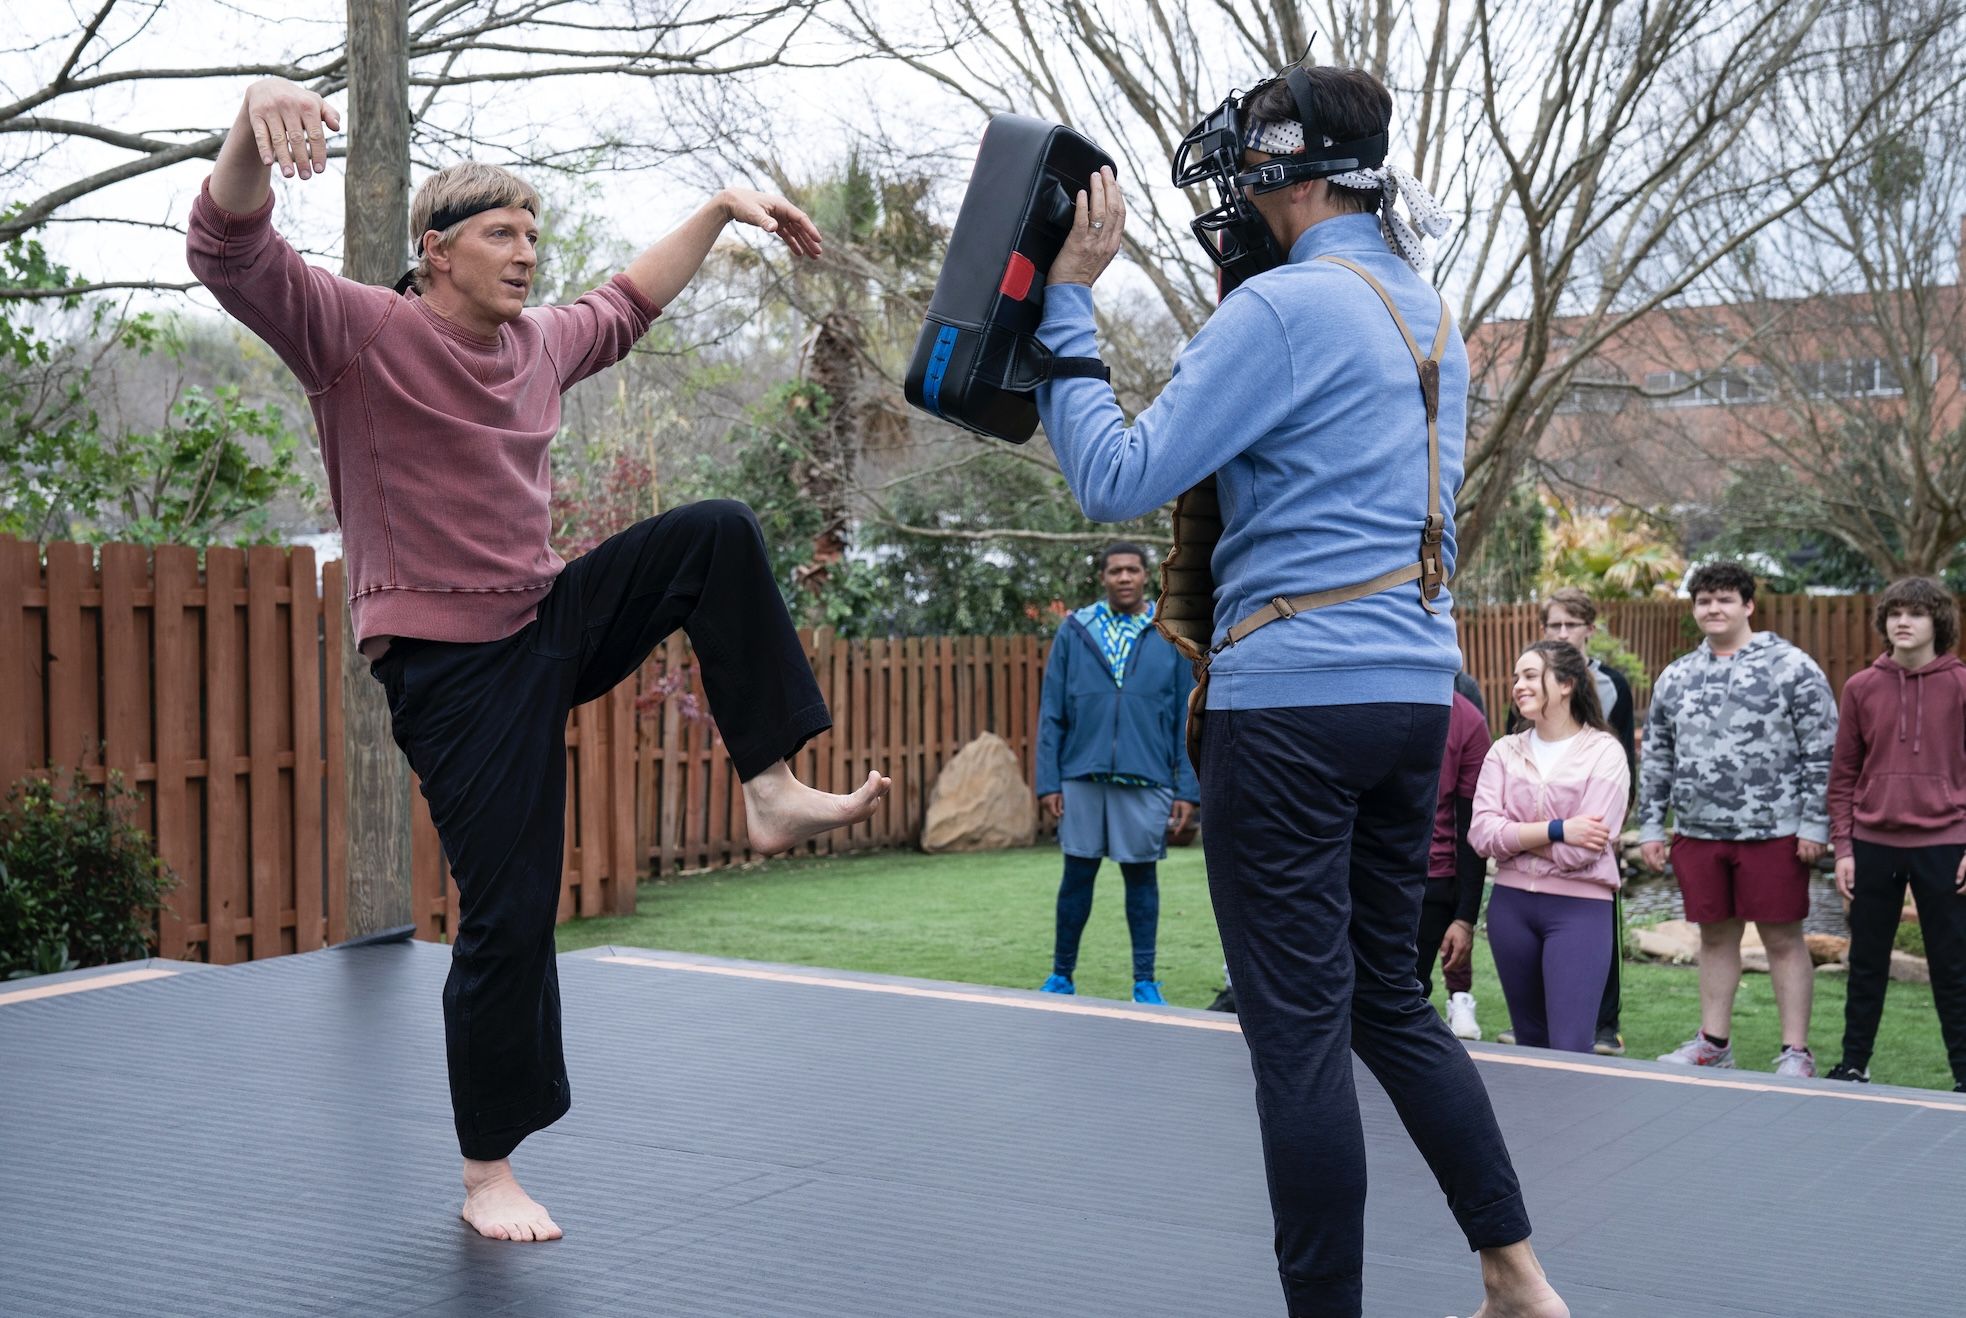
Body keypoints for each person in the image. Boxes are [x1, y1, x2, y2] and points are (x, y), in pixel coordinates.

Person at [187, 78, 890, 1243]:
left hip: (544, 620)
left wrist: (720, 208)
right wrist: (249, 120)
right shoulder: (361, 334)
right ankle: (486, 1173)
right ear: (436, 251)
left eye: (533, 235)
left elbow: (625, 301)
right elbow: (229, 247)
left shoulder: (537, 344)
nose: (526, 255)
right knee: (510, 911)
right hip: (449, 671)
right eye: (502, 235)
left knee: (713, 529)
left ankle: (767, 784)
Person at [1032, 62, 1564, 1318]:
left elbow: (1116, 474)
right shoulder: (1425, 311)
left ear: (1296, 172)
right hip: (1413, 701)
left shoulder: (1281, 312)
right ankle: (1516, 1274)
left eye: (1244, 167)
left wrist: (1066, 309)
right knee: (1388, 996)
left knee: (1296, 1030)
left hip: (1293, 706)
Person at [1637, 562, 1836, 1076]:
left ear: (1748, 605)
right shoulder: (1677, 675)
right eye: (1703, 600)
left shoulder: (1792, 667)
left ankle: (1796, 1052)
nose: (1713, 609)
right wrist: (1653, 827)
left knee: (1783, 940)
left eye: (1724, 599)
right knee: (1715, 938)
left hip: (1774, 831)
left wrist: (1816, 825)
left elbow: (1823, 752)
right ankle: (1714, 1042)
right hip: (1698, 831)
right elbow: (1657, 755)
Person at [1034, 541, 1200, 1004]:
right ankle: (1061, 976)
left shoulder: (1166, 633)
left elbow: (1183, 715)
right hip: (1081, 775)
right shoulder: (1075, 630)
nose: (1123, 578)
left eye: (1131, 570)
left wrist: (1186, 788)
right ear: (1103, 577)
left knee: (1141, 880)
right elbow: (1052, 712)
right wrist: (1049, 780)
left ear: (1145, 576)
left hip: (1146, 777)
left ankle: (1145, 982)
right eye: (1115, 571)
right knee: (1076, 878)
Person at [1824, 578, 1966, 1092]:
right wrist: (1843, 846)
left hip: (1945, 843)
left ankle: (1964, 1076)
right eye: (1894, 613)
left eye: (1916, 613)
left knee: (1953, 967)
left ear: (1938, 623)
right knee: (1865, 964)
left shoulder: (1961, 684)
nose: (1903, 622)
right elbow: (1843, 775)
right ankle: (1853, 1065)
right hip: (1873, 843)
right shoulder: (1861, 687)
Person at [1469, 643, 1629, 1053]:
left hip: (1580, 911)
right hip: (1511, 910)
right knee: (1529, 1043)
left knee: (1571, 1046)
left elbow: (1585, 851)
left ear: (1566, 684)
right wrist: (1558, 829)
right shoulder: (1504, 751)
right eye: (1516, 677)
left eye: (1529, 675)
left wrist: (1514, 839)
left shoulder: (1605, 753)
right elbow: (1481, 834)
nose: (1517, 685)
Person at [1539, 588, 1636, 1056]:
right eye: (1554, 625)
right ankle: (1539, 1022)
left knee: (1598, 927)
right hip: (1540, 827)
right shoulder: (1528, 680)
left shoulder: (1613, 682)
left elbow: (1625, 760)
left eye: (1571, 625)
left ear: (1589, 630)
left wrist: (1611, 827)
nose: (1562, 633)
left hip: (1595, 820)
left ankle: (1604, 1026)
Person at [1418, 686, 1491, 1040]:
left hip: (1432, 881)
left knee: (1401, 993)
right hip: (1361, 877)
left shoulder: (1467, 720)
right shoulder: (1370, 697)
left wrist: (1464, 917)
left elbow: (1471, 827)